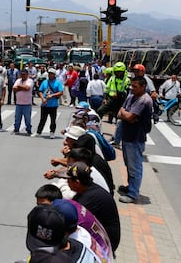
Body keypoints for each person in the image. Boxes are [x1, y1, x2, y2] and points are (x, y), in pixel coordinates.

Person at [59, 161, 120, 253]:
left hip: (106, 242)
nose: (67, 182)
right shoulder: (88, 189)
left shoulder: (89, 198)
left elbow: (71, 219)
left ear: (77, 182)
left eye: (68, 180)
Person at [117, 76, 153, 204]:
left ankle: (133, 194)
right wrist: (125, 114)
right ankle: (130, 187)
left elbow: (129, 116)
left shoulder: (144, 100)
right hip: (127, 136)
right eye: (131, 86)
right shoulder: (131, 97)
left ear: (143, 87)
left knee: (135, 167)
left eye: (135, 86)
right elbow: (120, 113)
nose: (132, 88)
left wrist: (125, 114)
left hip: (135, 138)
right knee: (129, 164)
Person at [33, 67, 63, 139]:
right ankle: (38, 132)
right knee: (42, 119)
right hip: (44, 104)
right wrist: (42, 98)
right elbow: (40, 91)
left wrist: (52, 95)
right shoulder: (44, 82)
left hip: (53, 104)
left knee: (53, 120)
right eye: (49, 73)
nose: (50, 75)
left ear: (54, 74)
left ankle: (52, 132)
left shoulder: (58, 82)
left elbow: (60, 92)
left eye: (51, 74)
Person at [12, 69, 34, 135]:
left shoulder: (30, 81)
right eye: (21, 74)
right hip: (18, 103)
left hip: (27, 103)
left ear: (27, 75)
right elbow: (14, 88)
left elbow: (27, 88)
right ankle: (16, 129)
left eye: (24, 74)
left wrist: (19, 87)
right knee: (17, 118)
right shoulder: (18, 80)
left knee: (27, 119)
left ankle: (28, 130)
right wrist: (22, 88)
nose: (23, 75)